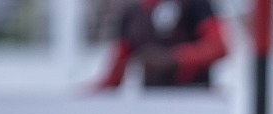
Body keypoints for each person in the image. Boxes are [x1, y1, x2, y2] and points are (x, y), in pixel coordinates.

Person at [93, 0, 228, 90]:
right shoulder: (132, 13)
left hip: (194, 98)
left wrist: (174, 59)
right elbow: (116, 73)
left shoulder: (195, 4)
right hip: (154, 103)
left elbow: (218, 47)